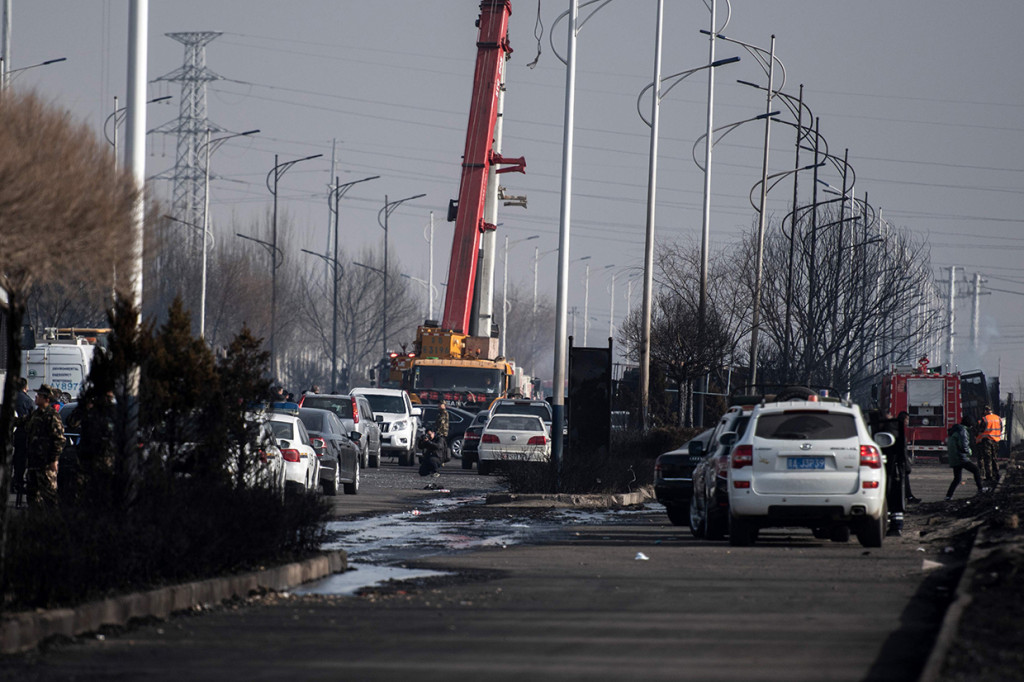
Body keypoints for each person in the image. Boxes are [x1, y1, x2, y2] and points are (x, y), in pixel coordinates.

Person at [23, 384, 66, 510]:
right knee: (32, 496)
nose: (36, 397)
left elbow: (59, 439)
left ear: (47, 399)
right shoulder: (36, 414)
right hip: (33, 462)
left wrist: (54, 460)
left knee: (49, 497)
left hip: (45, 463)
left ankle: (53, 524)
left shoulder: (52, 416)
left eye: (39, 396)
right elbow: (22, 422)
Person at [945, 418, 986, 501]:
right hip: (960, 457)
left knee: (957, 478)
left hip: (954, 457)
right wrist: (969, 452)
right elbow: (964, 445)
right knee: (976, 470)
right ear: (970, 425)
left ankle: (948, 496)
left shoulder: (955, 429)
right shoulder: (962, 431)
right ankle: (980, 489)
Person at [11, 377, 33, 499]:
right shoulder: (27, 400)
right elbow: (32, 416)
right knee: (21, 460)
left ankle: (11, 482)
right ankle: (17, 482)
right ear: (25, 387)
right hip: (23, 434)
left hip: (12, 433)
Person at [974, 405, 1002, 484]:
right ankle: (996, 475)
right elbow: (1001, 429)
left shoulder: (985, 419)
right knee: (995, 458)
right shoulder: (998, 418)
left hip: (987, 441)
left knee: (987, 459)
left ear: (985, 411)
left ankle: (989, 476)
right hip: (996, 441)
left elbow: (981, 430)